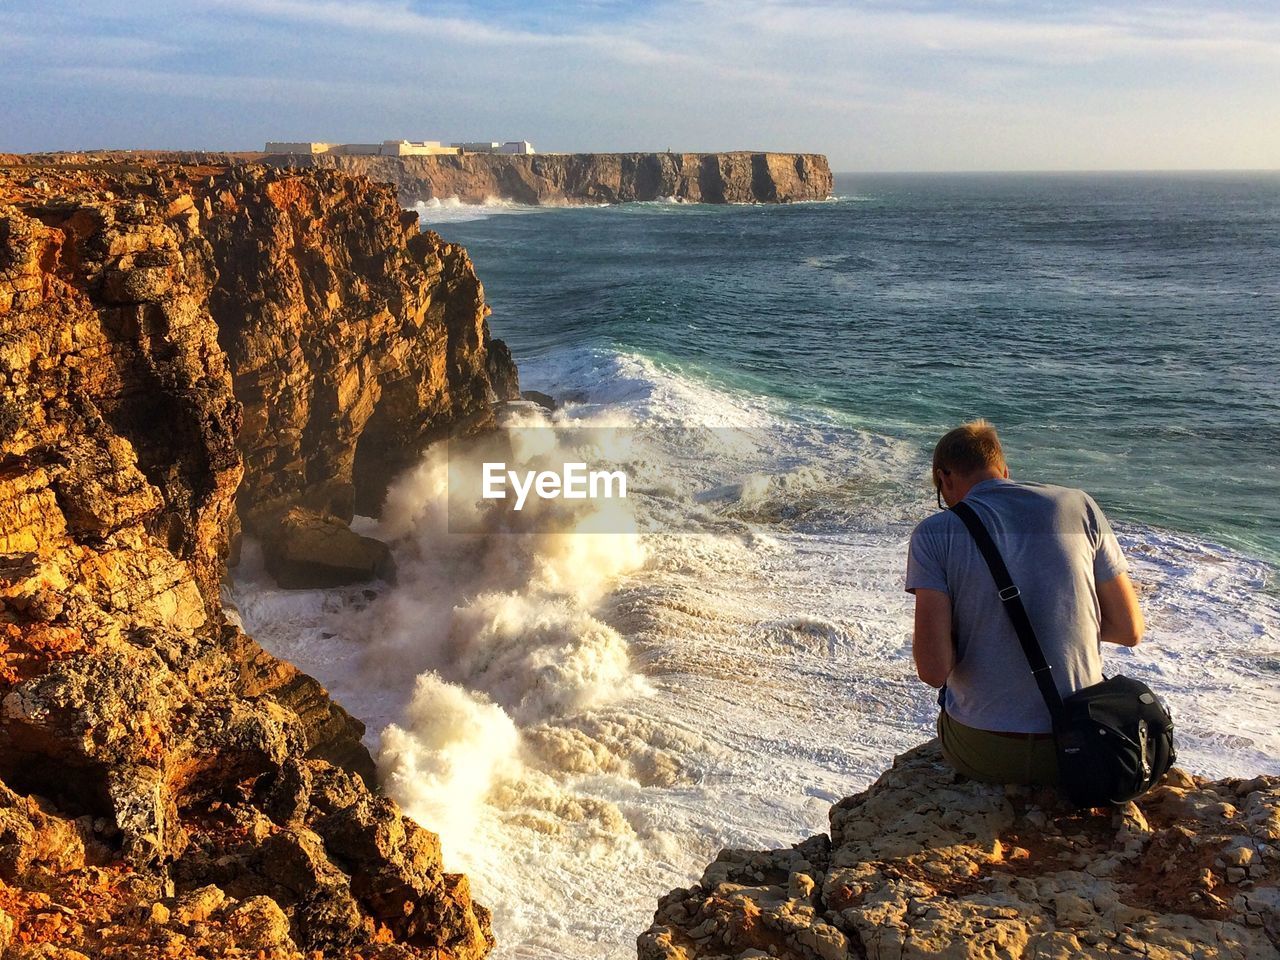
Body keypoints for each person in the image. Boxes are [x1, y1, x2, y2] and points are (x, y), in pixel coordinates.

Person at [905, 420, 1145, 785]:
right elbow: (1129, 630)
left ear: (944, 479)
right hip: (1082, 744)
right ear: (1004, 470)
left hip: (987, 753)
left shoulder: (935, 533)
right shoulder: (1079, 505)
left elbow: (934, 670)